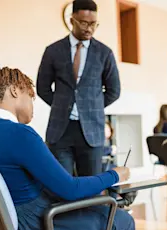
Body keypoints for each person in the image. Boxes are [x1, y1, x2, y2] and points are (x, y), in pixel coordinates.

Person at [0, 67, 134, 230]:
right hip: (36, 221)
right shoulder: (20, 134)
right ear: (14, 91)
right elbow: (70, 189)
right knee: (122, 220)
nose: (32, 106)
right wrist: (115, 175)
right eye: (30, 97)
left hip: (10, 221)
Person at [37, 0, 120, 177]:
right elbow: (42, 88)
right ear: (72, 20)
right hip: (60, 131)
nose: (89, 28)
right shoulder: (53, 51)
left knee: (91, 190)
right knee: (61, 188)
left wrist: (89, 107)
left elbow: (114, 90)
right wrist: (61, 105)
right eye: (84, 23)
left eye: (93, 24)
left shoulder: (105, 53)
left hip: (92, 132)